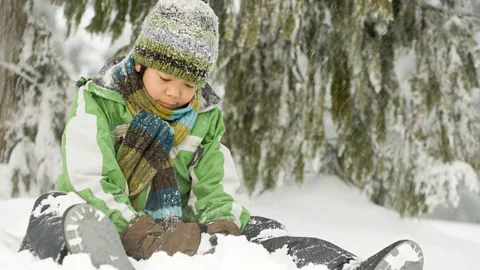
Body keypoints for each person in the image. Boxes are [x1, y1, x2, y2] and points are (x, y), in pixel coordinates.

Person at [18, 1, 424, 270]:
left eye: (190, 85)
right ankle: (100, 256)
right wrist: (139, 232)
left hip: (182, 229)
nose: (178, 92)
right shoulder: (100, 101)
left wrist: (221, 226)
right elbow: (90, 178)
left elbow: (214, 183)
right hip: (113, 216)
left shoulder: (205, 118)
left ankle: (346, 268)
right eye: (166, 78)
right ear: (141, 66)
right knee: (56, 207)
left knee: (264, 230)